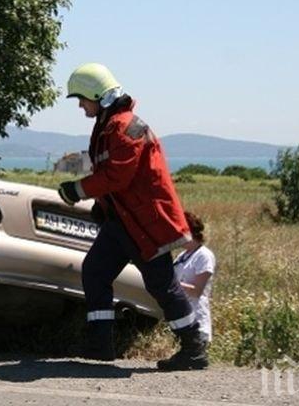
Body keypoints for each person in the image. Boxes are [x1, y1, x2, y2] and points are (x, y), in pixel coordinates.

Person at [57, 63, 208, 370]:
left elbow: (116, 176)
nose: (81, 106)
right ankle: (101, 345)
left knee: (161, 284)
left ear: (99, 95)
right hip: (124, 223)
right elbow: (109, 174)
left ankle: (193, 347)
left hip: (144, 225)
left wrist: (77, 189)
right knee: (96, 271)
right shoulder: (110, 125)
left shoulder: (126, 127)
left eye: (82, 99)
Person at [173, 212, 216, 344]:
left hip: (197, 319)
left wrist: (172, 285)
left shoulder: (204, 256)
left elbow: (197, 291)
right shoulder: (182, 256)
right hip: (182, 319)